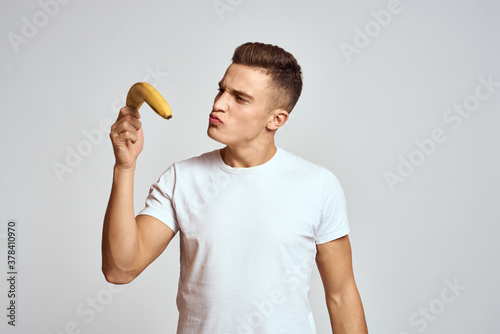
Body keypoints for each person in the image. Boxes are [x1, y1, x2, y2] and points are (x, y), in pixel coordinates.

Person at [101, 42, 368, 333]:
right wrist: (124, 168)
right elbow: (120, 269)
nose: (219, 104)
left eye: (240, 98)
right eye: (221, 90)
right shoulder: (182, 179)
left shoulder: (318, 185)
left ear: (276, 119)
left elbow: (341, 296)